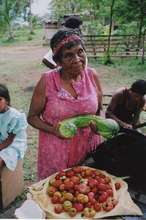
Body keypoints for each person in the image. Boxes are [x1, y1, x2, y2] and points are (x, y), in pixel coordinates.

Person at [27, 29, 103, 180]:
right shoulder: (47, 81)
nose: (77, 59)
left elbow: (99, 109)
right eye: (68, 55)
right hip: (57, 149)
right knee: (58, 193)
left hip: (88, 147)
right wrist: (53, 130)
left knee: (86, 193)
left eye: (80, 52)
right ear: (58, 61)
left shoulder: (92, 75)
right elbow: (32, 117)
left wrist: (100, 123)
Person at [92, 80, 146, 191]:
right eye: (135, 95)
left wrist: (133, 129)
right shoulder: (120, 94)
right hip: (112, 123)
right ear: (130, 90)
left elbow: (135, 119)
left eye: (140, 97)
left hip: (126, 127)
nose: (137, 99)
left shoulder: (141, 100)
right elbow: (108, 113)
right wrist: (123, 124)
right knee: (111, 148)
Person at [0, 84, 27, 172]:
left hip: (13, 143)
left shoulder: (15, 116)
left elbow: (9, 140)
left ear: (7, 100)